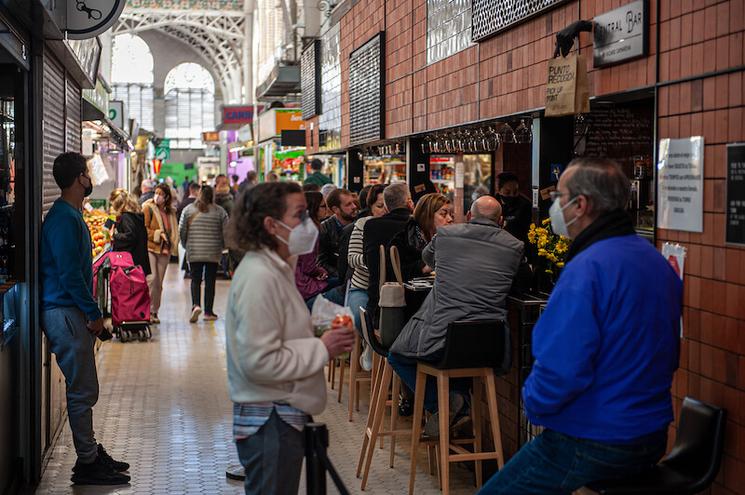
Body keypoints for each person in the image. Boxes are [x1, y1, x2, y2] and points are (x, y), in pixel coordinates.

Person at [478, 159, 683, 494]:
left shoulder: (588, 268)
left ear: (581, 205)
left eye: (560, 197)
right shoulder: (656, 263)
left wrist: (534, 404)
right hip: (650, 433)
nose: (555, 205)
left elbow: (561, 365)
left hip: (594, 436)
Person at [225, 182, 356, 495]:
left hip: (280, 415)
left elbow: (277, 336)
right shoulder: (260, 277)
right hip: (270, 419)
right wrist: (321, 348)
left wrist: (316, 331)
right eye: (300, 215)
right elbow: (260, 361)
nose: (309, 225)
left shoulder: (276, 270)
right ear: (272, 225)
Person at [388, 195, 523, 436]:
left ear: (469, 217)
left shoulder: (447, 235)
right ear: (501, 221)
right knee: (459, 361)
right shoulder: (516, 246)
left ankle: (445, 406)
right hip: (489, 345)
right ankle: (458, 402)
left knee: (396, 356)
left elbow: (428, 258)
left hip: (444, 337)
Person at [40, 152, 130, 485]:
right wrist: (93, 313)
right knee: (82, 392)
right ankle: (87, 463)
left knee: (84, 390)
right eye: (88, 173)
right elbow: (69, 275)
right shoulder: (64, 219)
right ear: (80, 178)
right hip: (65, 312)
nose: (90, 178)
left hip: (67, 311)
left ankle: (90, 454)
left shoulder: (69, 214)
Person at [362, 182, 415, 325]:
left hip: (376, 304)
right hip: (408, 307)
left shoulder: (370, 226)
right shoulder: (414, 225)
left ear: (386, 206)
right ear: (409, 203)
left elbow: (367, 262)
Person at [179, 185, 228, 323]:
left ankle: (196, 305)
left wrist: (185, 244)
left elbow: (182, 229)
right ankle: (208, 312)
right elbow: (226, 231)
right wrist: (223, 247)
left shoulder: (188, 210)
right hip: (213, 251)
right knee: (210, 281)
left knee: (195, 279)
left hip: (194, 250)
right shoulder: (220, 211)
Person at [345, 184, 387, 331]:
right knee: (361, 318)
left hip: (390, 290)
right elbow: (352, 258)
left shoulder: (399, 226)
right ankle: (369, 350)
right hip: (363, 288)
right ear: (371, 207)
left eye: (388, 206)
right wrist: (372, 260)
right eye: (380, 206)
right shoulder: (363, 225)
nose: (385, 211)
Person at [294, 191, 343, 310]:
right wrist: (320, 271)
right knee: (343, 286)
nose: (327, 209)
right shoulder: (310, 230)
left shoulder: (303, 226)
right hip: (304, 285)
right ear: (313, 208)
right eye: (323, 206)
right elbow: (308, 267)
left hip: (299, 281)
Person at [390, 193, 453, 283]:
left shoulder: (450, 240)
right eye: (443, 214)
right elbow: (393, 275)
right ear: (427, 215)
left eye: (451, 214)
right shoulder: (403, 240)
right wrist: (423, 268)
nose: (450, 219)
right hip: (412, 295)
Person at [142, 183, 179, 324]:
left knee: (159, 283)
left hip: (165, 250)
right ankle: (146, 310)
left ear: (166, 197)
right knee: (152, 279)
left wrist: (172, 242)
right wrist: (158, 234)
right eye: (156, 193)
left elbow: (174, 230)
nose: (157, 196)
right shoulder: (148, 208)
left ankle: (154, 311)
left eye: (160, 194)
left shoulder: (171, 212)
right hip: (151, 247)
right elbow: (144, 229)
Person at [109, 188, 151, 276]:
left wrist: (114, 235)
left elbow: (130, 236)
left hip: (131, 262)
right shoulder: (135, 215)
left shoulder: (126, 217)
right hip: (139, 261)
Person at [318, 188, 358, 280]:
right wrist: (340, 275)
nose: (354, 206)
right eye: (348, 204)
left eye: (353, 202)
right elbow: (321, 261)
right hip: (336, 277)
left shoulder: (360, 222)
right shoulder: (325, 228)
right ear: (336, 209)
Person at [496, 172, 533, 245]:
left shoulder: (525, 205)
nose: (512, 195)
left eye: (515, 192)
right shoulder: (492, 203)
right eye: (507, 192)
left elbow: (527, 232)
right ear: (499, 190)